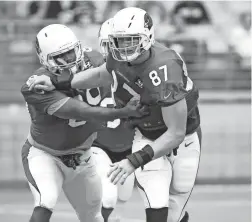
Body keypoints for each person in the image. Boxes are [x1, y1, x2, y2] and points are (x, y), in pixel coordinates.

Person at [28, 7, 202, 222]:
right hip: (146, 133)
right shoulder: (116, 56)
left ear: (147, 36)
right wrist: (58, 81)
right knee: (155, 203)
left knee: (177, 202)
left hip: (183, 137)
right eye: (119, 40)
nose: (124, 47)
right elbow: (102, 74)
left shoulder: (165, 67)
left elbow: (176, 132)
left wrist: (133, 160)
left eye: (131, 40)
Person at [20, 24, 148, 222]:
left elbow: (119, 73)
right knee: (47, 200)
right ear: (45, 58)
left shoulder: (95, 60)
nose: (71, 59)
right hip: (45, 154)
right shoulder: (36, 85)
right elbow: (81, 111)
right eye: (62, 56)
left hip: (82, 155)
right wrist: (124, 111)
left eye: (72, 51)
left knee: (94, 217)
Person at [92, 18, 135, 222]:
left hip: (129, 146)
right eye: (111, 44)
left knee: (124, 196)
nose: (116, 49)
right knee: (109, 196)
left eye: (120, 43)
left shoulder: (139, 73)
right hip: (99, 145)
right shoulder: (91, 73)